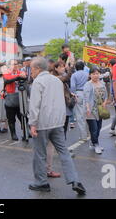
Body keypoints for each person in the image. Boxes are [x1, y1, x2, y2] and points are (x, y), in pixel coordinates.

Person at [28, 57, 86, 195]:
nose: (31, 73)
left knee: (40, 153)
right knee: (64, 152)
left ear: (37, 68)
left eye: (31, 69)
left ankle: (41, 182)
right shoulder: (57, 80)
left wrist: (32, 123)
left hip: (42, 123)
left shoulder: (38, 82)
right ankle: (74, 180)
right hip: (58, 122)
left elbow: (34, 105)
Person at [83, 67, 109, 154]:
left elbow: (106, 95)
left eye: (97, 73)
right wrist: (87, 108)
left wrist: (105, 102)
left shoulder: (102, 84)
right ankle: (96, 144)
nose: (95, 75)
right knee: (93, 128)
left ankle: (93, 142)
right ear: (90, 75)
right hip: (91, 110)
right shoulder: (88, 84)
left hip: (100, 110)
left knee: (98, 128)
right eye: (93, 73)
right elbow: (86, 98)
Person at [3, 59, 28, 141]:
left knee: (23, 117)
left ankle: (26, 133)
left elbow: (25, 77)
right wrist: (18, 77)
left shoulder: (21, 71)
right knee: (11, 118)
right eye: (13, 64)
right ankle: (13, 134)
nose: (15, 65)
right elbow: (7, 80)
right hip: (10, 98)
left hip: (20, 97)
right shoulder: (6, 72)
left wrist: (19, 76)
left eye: (16, 64)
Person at [70, 61, 89, 142]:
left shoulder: (74, 75)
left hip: (79, 93)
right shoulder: (87, 74)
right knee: (87, 114)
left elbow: (73, 86)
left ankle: (83, 135)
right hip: (87, 93)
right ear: (83, 67)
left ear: (76, 67)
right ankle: (88, 133)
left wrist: (73, 94)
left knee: (80, 115)